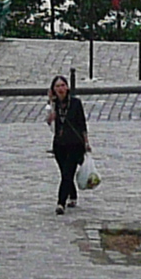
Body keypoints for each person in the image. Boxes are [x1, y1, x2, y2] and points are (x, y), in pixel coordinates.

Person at [47, 74, 90, 211]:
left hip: (74, 144)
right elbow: (51, 126)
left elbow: (82, 123)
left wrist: (86, 142)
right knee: (65, 173)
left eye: (63, 85)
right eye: (57, 86)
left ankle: (61, 203)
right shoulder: (53, 105)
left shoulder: (75, 103)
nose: (61, 89)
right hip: (59, 144)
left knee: (68, 172)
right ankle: (73, 195)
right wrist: (51, 107)